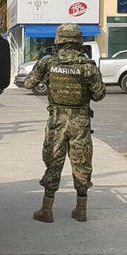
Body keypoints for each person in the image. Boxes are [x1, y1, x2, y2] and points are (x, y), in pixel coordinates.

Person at [23, 24, 106, 223]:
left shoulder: (48, 62)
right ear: (78, 41)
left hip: (57, 121)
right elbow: (99, 94)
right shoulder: (88, 67)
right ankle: (81, 210)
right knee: (82, 163)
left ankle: (46, 210)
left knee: (53, 161)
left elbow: (28, 83)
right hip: (80, 122)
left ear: (59, 40)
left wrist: (46, 78)